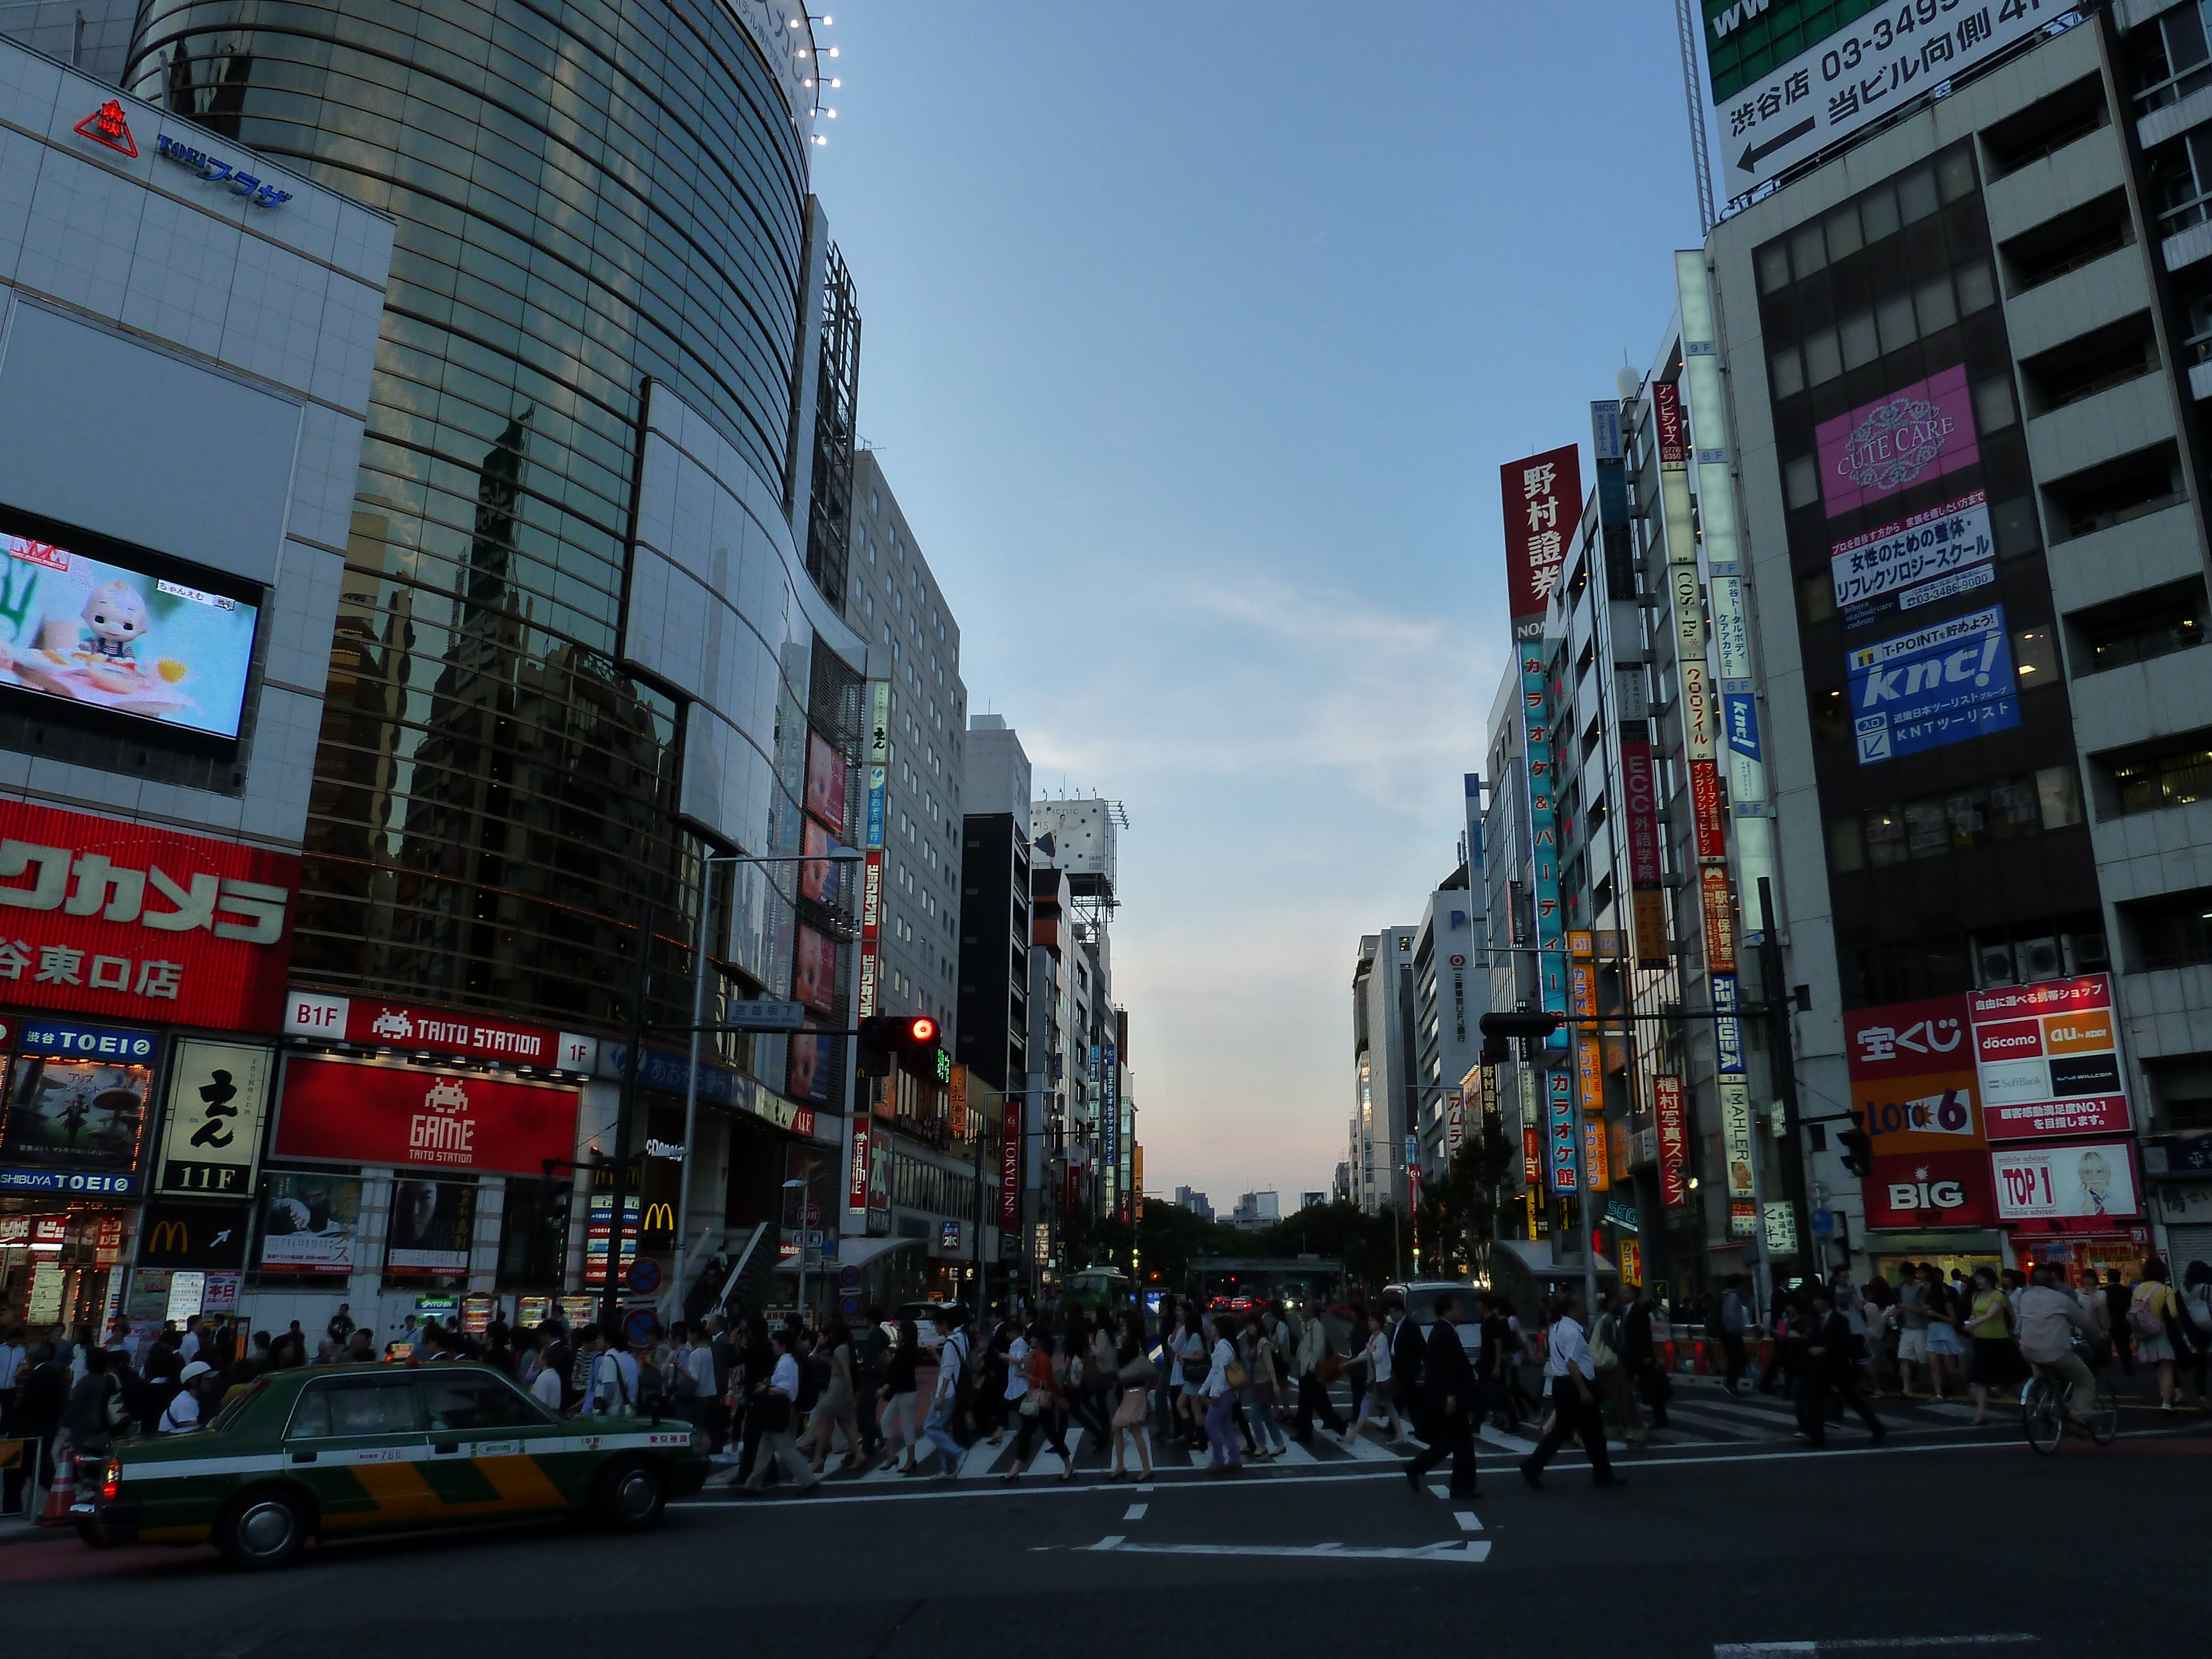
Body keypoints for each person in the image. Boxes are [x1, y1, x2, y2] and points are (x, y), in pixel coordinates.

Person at [1520, 1290, 1621, 1490]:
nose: (1585, 1309)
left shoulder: (1557, 1328)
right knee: (1593, 1432)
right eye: (1582, 1306)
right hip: (1576, 1384)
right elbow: (1572, 1363)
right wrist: (1583, 1389)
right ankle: (1603, 1474)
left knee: (1563, 1430)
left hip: (1562, 1384)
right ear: (1572, 1309)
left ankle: (1533, 1466)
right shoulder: (1573, 1332)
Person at [1405, 1292, 1479, 1498]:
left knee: (1452, 1442)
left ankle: (1418, 1467)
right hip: (1448, 1397)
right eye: (1458, 1307)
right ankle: (1461, 1487)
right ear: (1447, 1310)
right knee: (1461, 1442)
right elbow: (1446, 1369)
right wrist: (1451, 1395)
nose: (1462, 1310)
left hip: (1446, 1395)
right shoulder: (1444, 1333)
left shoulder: (1444, 1331)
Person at [1798, 1285, 1885, 1447]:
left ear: (1828, 1302)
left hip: (1839, 1365)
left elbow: (1844, 1342)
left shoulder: (1840, 1320)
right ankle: (1817, 1437)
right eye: (1815, 1300)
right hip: (1820, 1366)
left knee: (1854, 1399)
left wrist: (1825, 1349)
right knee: (1815, 1399)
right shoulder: (1815, 1319)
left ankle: (1877, 1428)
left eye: (1819, 1300)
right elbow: (1812, 1338)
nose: (1815, 1303)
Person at [2018, 1262, 2100, 1431]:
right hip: (2056, 1351)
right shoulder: (2061, 1299)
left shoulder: (2025, 1298)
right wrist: (2097, 1339)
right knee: (2085, 1381)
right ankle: (2078, 1419)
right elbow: (2087, 1324)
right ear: (2053, 1280)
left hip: (2028, 1350)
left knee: (2044, 1374)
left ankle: (2044, 1402)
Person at [741, 1329, 819, 1494]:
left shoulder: (786, 1362)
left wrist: (766, 1388)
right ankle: (753, 1484)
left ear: (782, 1345)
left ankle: (809, 1481)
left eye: (775, 1344)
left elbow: (787, 1389)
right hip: (778, 1409)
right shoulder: (788, 1360)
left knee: (785, 1447)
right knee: (766, 1446)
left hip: (778, 1409)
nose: (773, 1347)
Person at [1004, 1324, 1076, 1484]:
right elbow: (1049, 1381)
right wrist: (1060, 1396)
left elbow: (1044, 1382)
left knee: (1042, 1435)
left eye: (1034, 1337)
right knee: (1039, 1435)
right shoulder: (1037, 1356)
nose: (1031, 1339)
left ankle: (1068, 1466)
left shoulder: (1043, 1359)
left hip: (1041, 1402)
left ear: (1041, 1340)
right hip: (1038, 1401)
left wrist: (1025, 1376)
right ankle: (1068, 1466)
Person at [1963, 1266, 2021, 1427]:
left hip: (1999, 1340)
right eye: (1977, 1279)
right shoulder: (1976, 1296)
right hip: (1981, 1340)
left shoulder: (1999, 1295)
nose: (1978, 1282)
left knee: (2012, 1377)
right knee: (1979, 1378)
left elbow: (1992, 1314)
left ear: (1989, 1279)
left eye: (1981, 1278)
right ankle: (1982, 1413)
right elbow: (1974, 1314)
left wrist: (1974, 1323)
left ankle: (2024, 1405)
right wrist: (1971, 1323)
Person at [804, 1319, 863, 1474]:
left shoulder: (839, 1350)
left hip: (836, 1389)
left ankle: (818, 1459)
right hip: (841, 1389)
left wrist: (850, 1393)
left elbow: (846, 1372)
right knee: (844, 1422)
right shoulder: (846, 1348)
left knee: (825, 1423)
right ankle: (858, 1453)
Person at [2128, 1257, 2187, 1411]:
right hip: (2162, 1333)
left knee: (2158, 1368)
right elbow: (2174, 1314)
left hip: (2144, 1334)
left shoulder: (2137, 1290)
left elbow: (2133, 1311)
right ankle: (2167, 1403)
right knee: (2167, 1367)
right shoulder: (2165, 1290)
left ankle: (2164, 1394)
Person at [917, 1308, 969, 1478]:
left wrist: (940, 1395)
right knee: (940, 1428)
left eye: (937, 1325)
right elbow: (951, 1366)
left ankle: (958, 1453)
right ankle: (949, 1467)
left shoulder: (949, 1344)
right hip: (955, 1389)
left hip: (947, 1393)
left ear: (944, 1324)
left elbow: (947, 1371)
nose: (936, 1328)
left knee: (931, 1427)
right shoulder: (961, 1338)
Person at [1345, 1308, 1402, 1447]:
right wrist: (1347, 1364)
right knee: (1390, 1407)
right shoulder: (1373, 1338)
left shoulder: (1382, 1339)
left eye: (1372, 1321)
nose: (1369, 1323)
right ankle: (1401, 1435)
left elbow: (1376, 1357)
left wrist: (1370, 1350)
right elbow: (1364, 1355)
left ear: (1379, 1323)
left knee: (1366, 1405)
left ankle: (1352, 1436)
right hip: (1376, 1380)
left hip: (1380, 1380)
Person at [1108, 1311, 1155, 1480]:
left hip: (1134, 1390)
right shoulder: (1137, 1341)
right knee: (1118, 1427)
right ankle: (1122, 1465)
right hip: (1133, 1390)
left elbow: (1124, 1365)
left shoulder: (1132, 1342)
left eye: (1123, 1323)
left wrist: (1120, 1347)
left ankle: (1145, 1468)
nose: (1121, 1325)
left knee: (1133, 1429)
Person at [877, 1317, 923, 1474]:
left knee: (906, 1426)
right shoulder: (905, 1348)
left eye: (901, 1330)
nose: (898, 1332)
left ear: (907, 1333)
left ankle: (910, 1459)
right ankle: (893, 1456)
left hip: (906, 1392)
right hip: (902, 1392)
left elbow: (899, 1373)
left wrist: (886, 1387)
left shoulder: (907, 1350)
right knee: (886, 1421)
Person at [1293, 1302, 1345, 1440]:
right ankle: (1305, 1432)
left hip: (1311, 1371)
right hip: (1307, 1370)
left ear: (1312, 1313)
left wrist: (1311, 1367)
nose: (1303, 1311)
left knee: (1318, 1404)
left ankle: (1339, 1425)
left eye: (1306, 1309)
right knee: (1307, 1403)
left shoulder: (1317, 1327)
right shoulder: (1310, 1326)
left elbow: (1318, 1348)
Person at [1199, 1314, 1243, 1474]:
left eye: (1213, 1326)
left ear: (1220, 1329)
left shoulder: (1223, 1348)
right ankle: (1235, 1458)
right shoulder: (1223, 1345)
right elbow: (1215, 1371)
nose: (1211, 1329)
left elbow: (1221, 1373)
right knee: (1225, 1426)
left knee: (1210, 1424)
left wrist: (1214, 1393)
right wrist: (1204, 1390)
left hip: (1223, 1392)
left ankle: (1219, 1459)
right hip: (1228, 1392)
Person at [1241, 1315, 1287, 1460]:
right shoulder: (1254, 1343)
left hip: (1265, 1384)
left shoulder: (1263, 1343)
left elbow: (1270, 1365)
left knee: (1254, 1415)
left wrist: (1275, 1384)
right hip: (1257, 1384)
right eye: (1247, 1326)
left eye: (1252, 1325)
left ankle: (1261, 1445)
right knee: (1268, 1417)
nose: (1249, 1329)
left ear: (1258, 1326)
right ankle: (1280, 1444)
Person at [582, 1326, 640, 1417]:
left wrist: (601, 1410)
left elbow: (610, 1387)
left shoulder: (609, 1360)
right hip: (615, 1410)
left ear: (609, 1341)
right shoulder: (618, 1357)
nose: (597, 1341)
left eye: (600, 1338)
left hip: (609, 1413)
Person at [2181, 1261, 2212, 1409]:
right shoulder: (2207, 1288)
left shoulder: (2181, 1291)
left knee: (2201, 1368)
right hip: (2209, 1329)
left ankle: (2202, 1397)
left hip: (2192, 1333)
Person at [160, 1359, 217, 1432]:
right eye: (207, 1379)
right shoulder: (185, 1403)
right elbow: (194, 1432)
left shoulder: (194, 1399)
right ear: (195, 1382)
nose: (210, 1382)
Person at [1717, 1276, 1749, 1396]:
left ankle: (1731, 1384)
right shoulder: (1733, 1297)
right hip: (1732, 1333)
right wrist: (1739, 1329)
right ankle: (1730, 1382)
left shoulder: (1726, 1296)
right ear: (1738, 1285)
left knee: (1734, 1359)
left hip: (1728, 1333)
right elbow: (1730, 1316)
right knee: (1740, 1358)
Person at [2101, 1269, 2136, 1375]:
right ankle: (2128, 1363)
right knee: (2125, 1342)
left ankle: (2122, 1363)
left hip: (2112, 1321)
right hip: (2126, 1320)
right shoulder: (2127, 1291)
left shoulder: (2104, 1292)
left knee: (2117, 1343)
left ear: (2108, 1278)